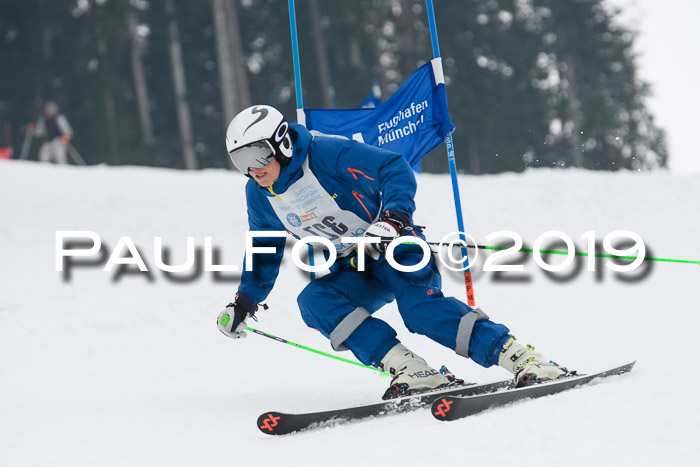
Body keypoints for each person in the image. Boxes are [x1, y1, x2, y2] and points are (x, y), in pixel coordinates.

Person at [217, 105, 567, 399]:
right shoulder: (258, 194)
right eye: (239, 160)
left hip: (395, 246)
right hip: (352, 265)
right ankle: (412, 370)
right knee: (315, 301)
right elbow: (263, 248)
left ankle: (523, 358)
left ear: (281, 144)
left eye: (256, 154)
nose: (252, 168)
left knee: (420, 312)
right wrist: (244, 302)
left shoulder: (325, 154)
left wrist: (393, 219)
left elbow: (392, 167)